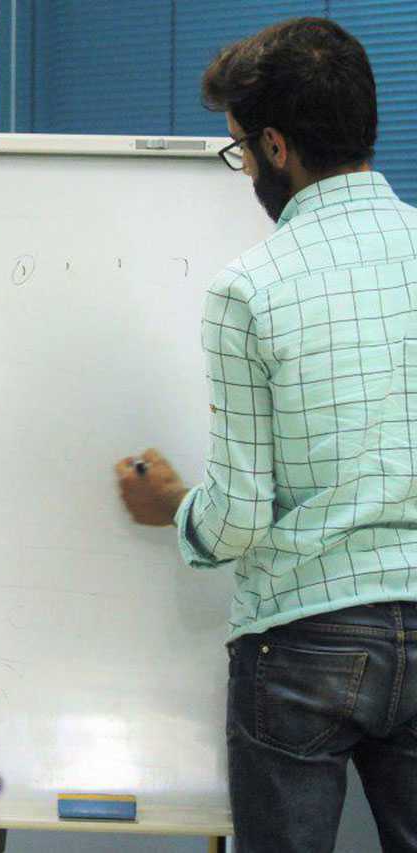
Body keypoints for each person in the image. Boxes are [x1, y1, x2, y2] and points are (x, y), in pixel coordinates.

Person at [115, 17, 417, 852]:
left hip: (305, 635)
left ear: (276, 146)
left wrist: (175, 507)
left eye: (240, 149)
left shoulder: (250, 290)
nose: (245, 167)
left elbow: (241, 516)